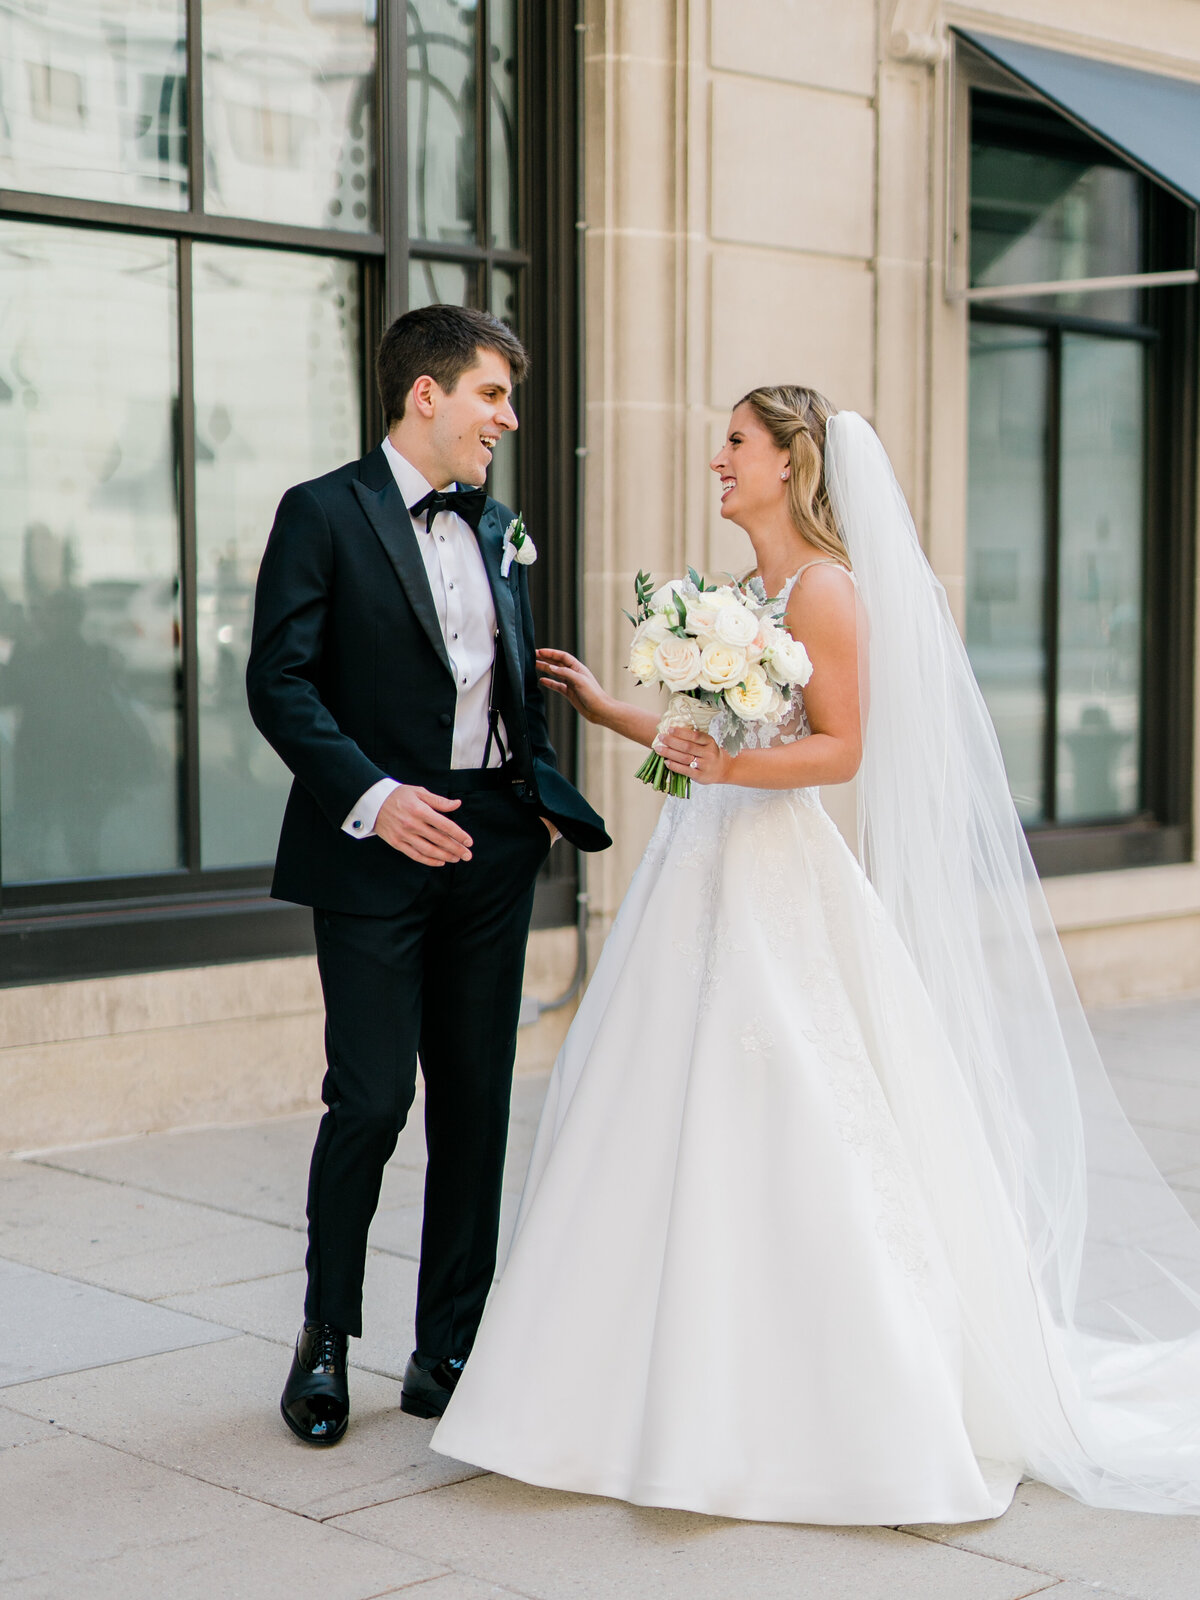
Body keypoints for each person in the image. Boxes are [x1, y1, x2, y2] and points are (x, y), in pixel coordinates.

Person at [431, 386, 1200, 1521]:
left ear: (790, 461)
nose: (717, 462)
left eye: (735, 444)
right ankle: (601, 1386)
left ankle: (816, 1392)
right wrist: (612, 709)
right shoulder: (741, 596)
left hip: (773, 868)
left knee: (789, 1095)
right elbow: (717, 732)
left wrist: (721, 768)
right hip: (702, 858)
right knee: (654, 1098)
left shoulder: (828, 589)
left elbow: (837, 750)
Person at [246, 304, 609, 1447]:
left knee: (474, 1098)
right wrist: (378, 799)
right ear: (428, 396)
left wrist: (533, 797)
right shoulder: (321, 513)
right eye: (494, 395)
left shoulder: (499, 525)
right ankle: (327, 1339)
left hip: (491, 848)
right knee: (370, 1099)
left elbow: (502, 686)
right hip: (372, 850)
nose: (507, 418)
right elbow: (280, 683)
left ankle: (448, 1347)